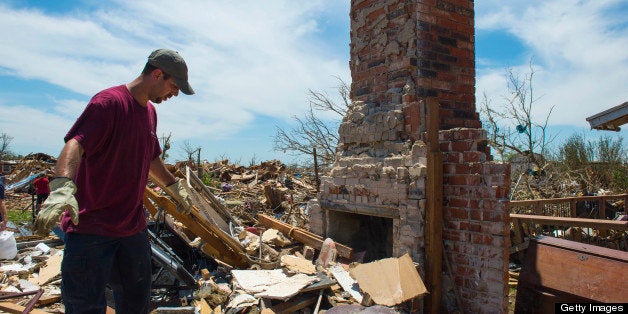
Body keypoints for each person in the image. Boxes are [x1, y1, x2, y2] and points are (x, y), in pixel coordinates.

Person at [34, 49, 195, 314]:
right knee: (86, 306)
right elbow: (75, 144)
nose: (175, 93)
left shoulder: (150, 113)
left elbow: (152, 159)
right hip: (91, 228)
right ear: (157, 74)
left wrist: (176, 188)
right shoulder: (109, 102)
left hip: (132, 229)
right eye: (174, 86)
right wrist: (62, 186)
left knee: (136, 304)